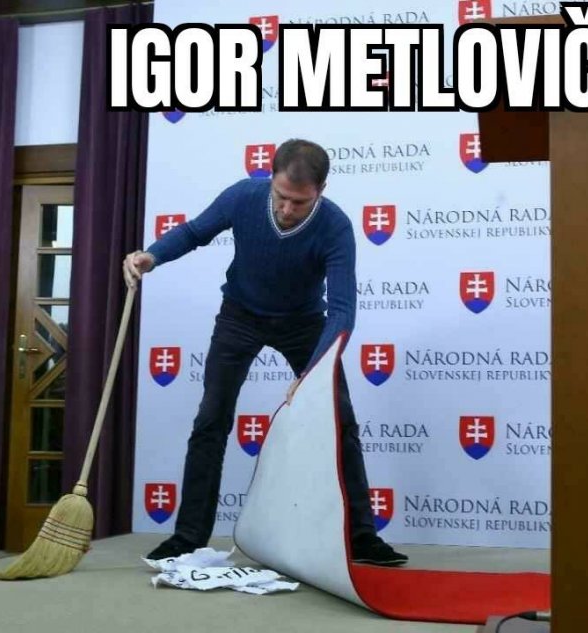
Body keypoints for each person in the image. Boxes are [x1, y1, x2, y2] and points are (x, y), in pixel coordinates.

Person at [124, 139, 407, 567]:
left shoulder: (335, 226)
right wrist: (152, 256)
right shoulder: (243, 196)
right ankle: (187, 538)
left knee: (341, 421)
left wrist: (312, 373)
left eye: (300, 202)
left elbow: (342, 311)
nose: (287, 209)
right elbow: (195, 232)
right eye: (281, 196)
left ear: (322, 190)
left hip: (303, 323)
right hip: (240, 316)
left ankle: (362, 537)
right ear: (270, 179)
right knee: (211, 419)